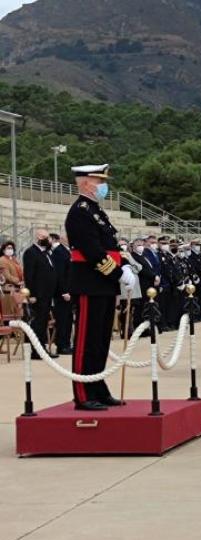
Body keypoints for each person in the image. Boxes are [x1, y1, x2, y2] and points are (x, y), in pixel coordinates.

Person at [64, 164, 138, 411]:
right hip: (89, 283)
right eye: (99, 181)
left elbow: (112, 246)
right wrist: (117, 273)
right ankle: (83, 393)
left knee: (101, 341)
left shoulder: (96, 211)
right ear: (85, 183)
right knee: (86, 340)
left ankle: (98, 386)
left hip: (104, 284)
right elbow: (92, 251)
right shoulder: (80, 212)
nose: (104, 186)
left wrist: (125, 265)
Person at [22, 229, 59, 360]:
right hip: (37, 295)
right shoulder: (31, 253)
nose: (49, 240)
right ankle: (37, 351)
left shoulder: (46, 253)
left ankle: (42, 349)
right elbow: (29, 275)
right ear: (38, 237)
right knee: (38, 323)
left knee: (43, 323)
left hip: (47, 294)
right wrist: (31, 294)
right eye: (46, 237)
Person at [49, 233, 74, 355]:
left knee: (68, 319)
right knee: (62, 319)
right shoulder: (59, 252)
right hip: (62, 293)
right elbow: (59, 274)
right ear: (63, 239)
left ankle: (66, 343)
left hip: (70, 291)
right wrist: (64, 291)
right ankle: (61, 345)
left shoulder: (68, 251)